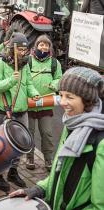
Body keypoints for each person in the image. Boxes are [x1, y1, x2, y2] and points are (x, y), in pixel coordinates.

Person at [9, 67, 104, 210]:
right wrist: (40, 189)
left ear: (88, 100)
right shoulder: (71, 123)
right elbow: (60, 171)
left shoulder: (100, 142)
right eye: (61, 95)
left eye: (70, 97)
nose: (62, 102)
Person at [0, 32, 40, 192]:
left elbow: (28, 84)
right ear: (12, 48)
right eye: (19, 49)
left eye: (25, 50)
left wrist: (34, 93)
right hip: (5, 111)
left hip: (21, 111)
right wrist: (11, 80)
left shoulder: (25, 64)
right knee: (3, 146)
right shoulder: (0, 64)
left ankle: (13, 172)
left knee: (19, 146)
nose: (22, 53)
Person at [26, 35, 62, 171]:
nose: (44, 47)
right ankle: (30, 158)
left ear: (49, 47)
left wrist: (53, 84)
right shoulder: (28, 61)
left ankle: (48, 159)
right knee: (29, 131)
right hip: (29, 103)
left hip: (46, 103)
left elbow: (59, 79)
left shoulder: (54, 63)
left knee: (47, 133)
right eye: (41, 44)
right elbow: (25, 80)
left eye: (46, 45)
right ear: (36, 46)